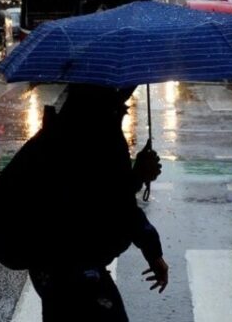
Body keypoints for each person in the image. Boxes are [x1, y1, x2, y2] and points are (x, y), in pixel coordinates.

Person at [21, 84, 169, 321]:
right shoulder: (99, 128)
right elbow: (112, 203)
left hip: (49, 264)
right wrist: (138, 176)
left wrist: (134, 177)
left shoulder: (70, 120)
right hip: (73, 263)